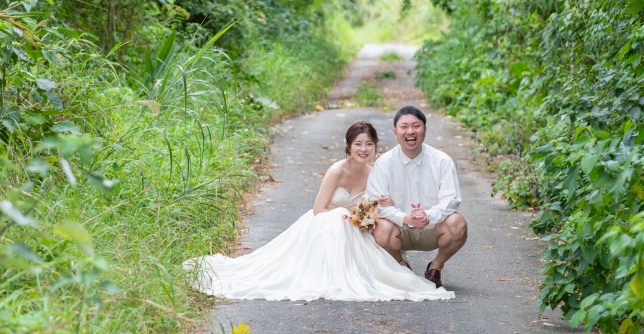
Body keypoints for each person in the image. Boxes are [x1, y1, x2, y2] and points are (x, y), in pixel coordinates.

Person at [183, 121, 454, 302]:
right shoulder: (337, 170)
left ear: (375, 148)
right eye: (358, 144)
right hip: (324, 223)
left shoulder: (376, 173)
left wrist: (370, 213)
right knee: (337, 218)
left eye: (369, 144)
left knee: (370, 236)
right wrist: (348, 218)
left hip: (357, 227)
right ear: (349, 146)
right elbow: (318, 209)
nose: (363, 149)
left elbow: (381, 207)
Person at [367, 106, 468, 289]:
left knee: (458, 223)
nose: (411, 131)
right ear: (395, 132)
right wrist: (404, 217)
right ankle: (403, 268)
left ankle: (435, 268)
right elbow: (375, 205)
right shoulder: (384, 163)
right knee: (379, 227)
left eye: (416, 126)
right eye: (404, 127)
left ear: (425, 130)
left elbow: (451, 199)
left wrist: (428, 215)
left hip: (432, 228)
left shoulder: (442, 161)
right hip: (399, 229)